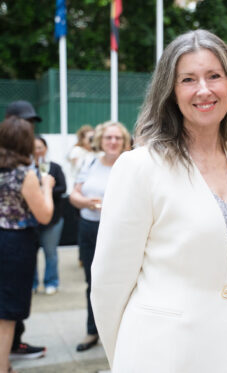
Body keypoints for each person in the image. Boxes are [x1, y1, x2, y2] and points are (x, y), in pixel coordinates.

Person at [90, 30, 227, 373]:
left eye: (214, 76)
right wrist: (126, 357)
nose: (204, 89)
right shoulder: (139, 167)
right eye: (188, 79)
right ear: (170, 91)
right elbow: (109, 283)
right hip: (162, 354)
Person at [69, 121, 131, 353]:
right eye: (108, 137)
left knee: (121, 281)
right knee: (92, 281)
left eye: (117, 138)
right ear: (100, 140)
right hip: (90, 227)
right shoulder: (89, 162)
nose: (113, 142)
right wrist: (86, 202)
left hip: (120, 232)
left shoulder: (130, 165)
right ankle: (92, 330)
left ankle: (121, 331)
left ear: (125, 142)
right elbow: (75, 194)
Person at [0, 117, 54, 373]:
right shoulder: (25, 174)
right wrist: (47, 186)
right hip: (14, 244)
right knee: (7, 312)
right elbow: (44, 215)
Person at [32, 137, 67, 295]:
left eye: (40, 147)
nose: (37, 150)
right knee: (31, 253)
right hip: (31, 219)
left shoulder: (54, 167)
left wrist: (46, 189)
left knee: (50, 252)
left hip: (53, 219)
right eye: (34, 147)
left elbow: (62, 188)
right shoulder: (26, 169)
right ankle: (32, 284)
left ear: (45, 148)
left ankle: (51, 282)